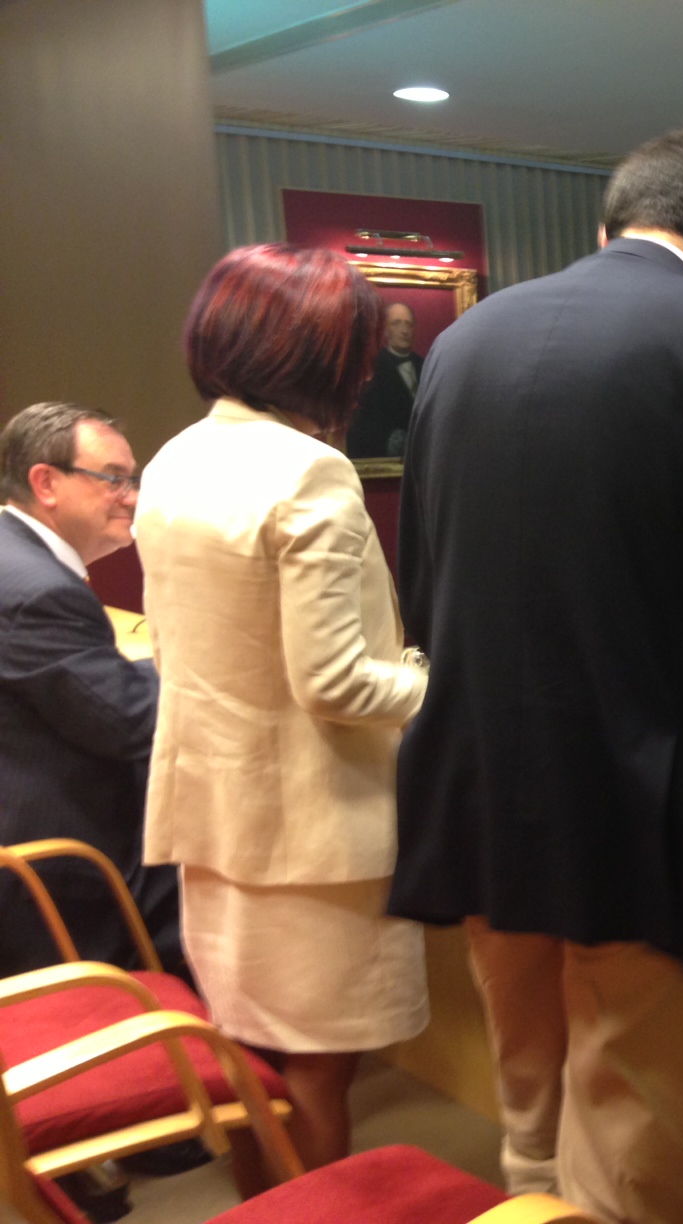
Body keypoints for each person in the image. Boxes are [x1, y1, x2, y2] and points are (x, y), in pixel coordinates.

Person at [389, 130, 683, 1222]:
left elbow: (423, 572)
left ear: (607, 226)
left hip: (484, 795)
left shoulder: (464, 340)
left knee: (533, 1123)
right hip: (654, 820)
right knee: (633, 1168)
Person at [137, 245, 430, 1178]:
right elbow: (337, 683)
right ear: (319, 355)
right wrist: (442, 686)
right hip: (313, 830)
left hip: (214, 814)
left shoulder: (176, 458)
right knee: (316, 1071)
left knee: (249, 1056)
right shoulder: (309, 472)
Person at [0, 403, 182, 978]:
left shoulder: (13, 556)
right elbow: (132, 721)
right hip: (60, 874)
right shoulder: (38, 591)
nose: (132, 497)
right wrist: (198, 665)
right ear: (45, 483)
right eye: (114, 479)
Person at [346, 302, 422, 459]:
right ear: (385, 330)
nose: (404, 330)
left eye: (408, 324)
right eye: (396, 324)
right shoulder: (371, 368)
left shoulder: (426, 365)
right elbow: (363, 423)